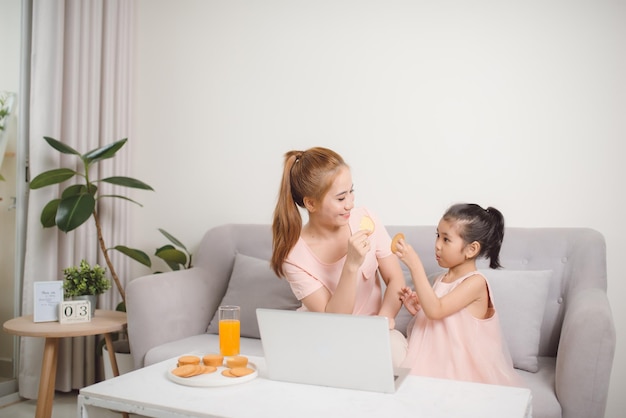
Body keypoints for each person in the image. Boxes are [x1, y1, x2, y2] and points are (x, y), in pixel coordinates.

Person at [270, 147, 407, 365]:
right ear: (311, 203)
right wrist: (351, 265)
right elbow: (334, 319)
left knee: (393, 352)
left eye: (351, 192)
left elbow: (395, 279)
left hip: (373, 330)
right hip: (324, 334)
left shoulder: (366, 219)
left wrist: (383, 319)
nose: (350, 203)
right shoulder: (293, 256)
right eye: (341, 197)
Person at [393, 203, 525, 387]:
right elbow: (445, 321)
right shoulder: (442, 279)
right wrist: (420, 311)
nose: (437, 245)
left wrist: (415, 266)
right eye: (437, 235)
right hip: (434, 357)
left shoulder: (475, 283)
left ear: (471, 249)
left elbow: (436, 310)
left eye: (446, 239)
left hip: (457, 366)